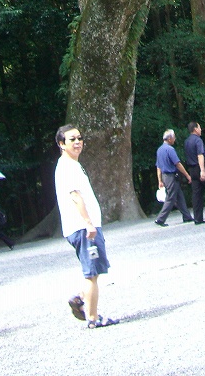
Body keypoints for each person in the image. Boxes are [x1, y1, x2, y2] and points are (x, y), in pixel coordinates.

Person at [54, 124, 118, 329]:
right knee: (91, 274)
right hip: (83, 228)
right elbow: (75, 196)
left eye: (79, 138)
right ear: (61, 144)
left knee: (94, 271)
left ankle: (80, 299)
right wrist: (88, 223)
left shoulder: (72, 164)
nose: (77, 142)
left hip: (84, 227)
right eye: (71, 139)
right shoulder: (67, 166)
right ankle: (92, 318)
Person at [154, 129, 194, 225]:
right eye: (174, 137)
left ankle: (187, 216)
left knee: (179, 196)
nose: (175, 139)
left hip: (164, 176)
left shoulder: (159, 150)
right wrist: (188, 175)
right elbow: (178, 164)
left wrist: (159, 180)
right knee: (170, 198)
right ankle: (160, 219)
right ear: (170, 138)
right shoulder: (170, 149)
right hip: (171, 176)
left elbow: (158, 167)